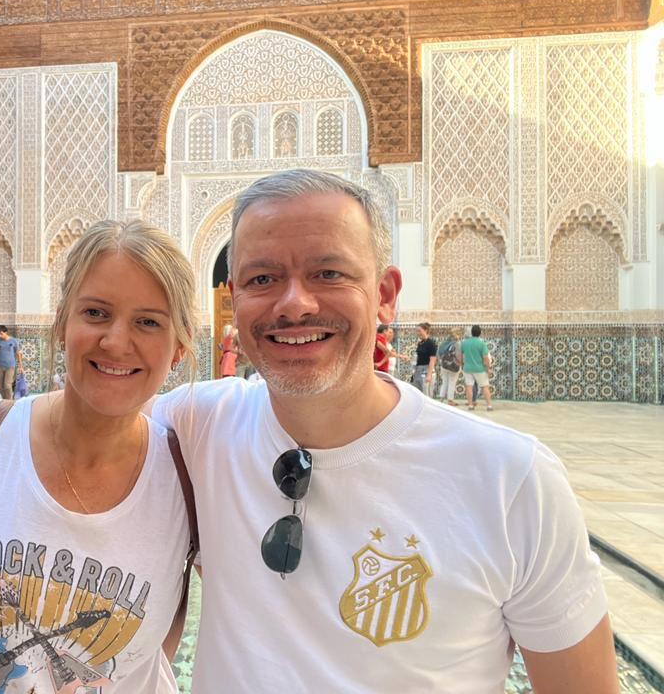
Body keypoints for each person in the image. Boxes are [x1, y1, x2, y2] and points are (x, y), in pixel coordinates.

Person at [148, 170, 614, 692]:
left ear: (385, 294)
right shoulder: (194, 427)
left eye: (328, 273)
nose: (294, 303)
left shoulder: (510, 481)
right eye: (263, 279)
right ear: (234, 299)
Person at [0, 220, 198, 694]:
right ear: (61, 324)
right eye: (95, 312)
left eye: (148, 321)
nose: (115, 341)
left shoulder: (191, 474)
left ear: (179, 348)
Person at [461, 324, 494, 411]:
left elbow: (461, 356)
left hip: (467, 368)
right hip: (480, 369)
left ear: (471, 332)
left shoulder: (464, 343)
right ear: (480, 333)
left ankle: (470, 405)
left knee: (469, 386)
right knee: (484, 387)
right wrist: (489, 368)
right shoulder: (481, 343)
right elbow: (485, 358)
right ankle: (489, 405)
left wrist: (463, 364)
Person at [0, 324, 23, 400]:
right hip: (0, 366)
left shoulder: (14, 341)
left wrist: (21, 367)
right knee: (2, 386)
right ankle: (4, 400)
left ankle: (9, 402)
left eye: (1, 333)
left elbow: (18, 354)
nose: (0, 336)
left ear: (6, 332)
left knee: (7, 385)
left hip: (10, 366)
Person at [436, 326, 464, 406]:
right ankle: (450, 401)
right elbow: (459, 356)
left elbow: (438, 354)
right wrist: (460, 363)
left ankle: (441, 399)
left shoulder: (443, 343)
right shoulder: (457, 343)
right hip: (453, 366)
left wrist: (442, 362)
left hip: (444, 365)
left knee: (444, 382)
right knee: (452, 382)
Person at [411, 321, 438, 397]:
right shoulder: (420, 343)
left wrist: (429, 375)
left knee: (427, 395)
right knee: (419, 394)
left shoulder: (431, 343)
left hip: (426, 371)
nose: (418, 333)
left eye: (419, 331)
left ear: (425, 331)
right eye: (417, 331)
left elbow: (432, 360)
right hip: (418, 370)